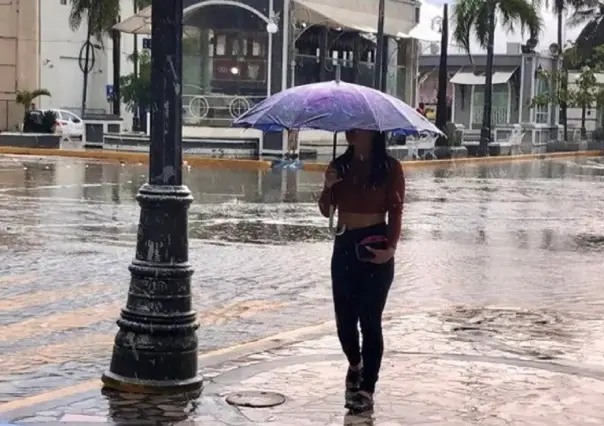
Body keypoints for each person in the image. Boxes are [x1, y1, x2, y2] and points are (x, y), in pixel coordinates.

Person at [318, 130, 405, 413]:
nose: (352, 132)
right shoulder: (339, 165)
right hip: (344, 243)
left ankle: (367, 388)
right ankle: (355, 363)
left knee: (370, 320)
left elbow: (396, 211)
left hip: (374, 242)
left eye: (360, 127)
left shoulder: (390, 168)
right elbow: (324, 209)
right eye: (350, 127)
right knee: (345, 321)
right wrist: (328, 186)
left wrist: (391, 247)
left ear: (374, 132)